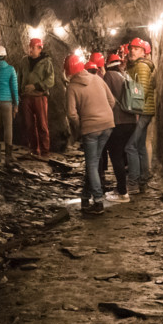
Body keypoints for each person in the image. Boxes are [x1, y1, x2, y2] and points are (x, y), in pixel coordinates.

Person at [65, 54, 115, 215]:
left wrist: (80, 128)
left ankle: (98, 201)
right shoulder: (97, 78)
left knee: (92, 164)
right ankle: (85, 197)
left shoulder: (72, 87)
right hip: (108, 125)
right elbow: (112, 101)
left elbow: (71, 114)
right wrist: (104, 115)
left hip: (90, 128)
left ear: (68, 71)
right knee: (93, 163)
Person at [100, 54, 136, 203]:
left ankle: (122, 193)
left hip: (118, 122)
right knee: (121, 155)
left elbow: (104, 98)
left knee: (116, 157)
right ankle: (124, 187)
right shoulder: (125, 75)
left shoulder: (109, 76)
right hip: (131, 121)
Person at [125, 37, 155, 194]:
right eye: (131, 48)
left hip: (141, 111)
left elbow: (140, 90)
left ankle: (134, 183)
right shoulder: (138, 65)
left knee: (130, 146)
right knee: (141, 146)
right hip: (144, 111)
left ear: (144, 52)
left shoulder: (142, 66)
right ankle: (143, 180)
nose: (132, 51)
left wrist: (136, 111)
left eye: (136, 49)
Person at [19, 38, 54, 157]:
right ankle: (34, 150)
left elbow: (50, 80)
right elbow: (20, 76)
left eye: (32, 47)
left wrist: (36, 86)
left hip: (40, 96)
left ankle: (45, 151)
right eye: (30, 47)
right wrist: (20, 91)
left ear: (39, 48)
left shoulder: (46, 62)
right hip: (26, 97)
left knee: (42, 125)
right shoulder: (24, 61)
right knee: (29, 125)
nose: (30, 49)